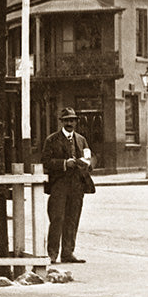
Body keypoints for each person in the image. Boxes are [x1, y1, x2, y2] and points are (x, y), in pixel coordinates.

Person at [41, 107, 95, 265]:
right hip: (59, 184)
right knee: (57, 217)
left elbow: (89, 158)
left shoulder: (81, 139)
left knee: (73, 218)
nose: (69, 123)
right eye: (66, 120)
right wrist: (65, 163)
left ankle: (68, 252)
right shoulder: (52, 140)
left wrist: (86, 164)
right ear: (61, 122)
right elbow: (45, 161)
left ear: (76, 122)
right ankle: (52, 253)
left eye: (72, 120)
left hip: (77, 183)